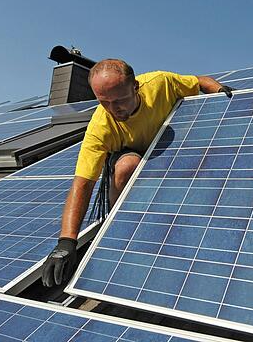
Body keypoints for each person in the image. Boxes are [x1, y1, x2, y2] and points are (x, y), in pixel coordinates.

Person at [41, 59, 232, 287]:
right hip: (131, 160)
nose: (114, 109)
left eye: (120, 100)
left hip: (169, 151)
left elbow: (200, 81)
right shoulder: (100, 127)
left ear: (136, 86)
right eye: (105, 102)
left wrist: (220, 91)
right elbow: (83, 184)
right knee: (127, 166)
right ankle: (121, 229)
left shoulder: (161, 83)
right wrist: (66, 243)